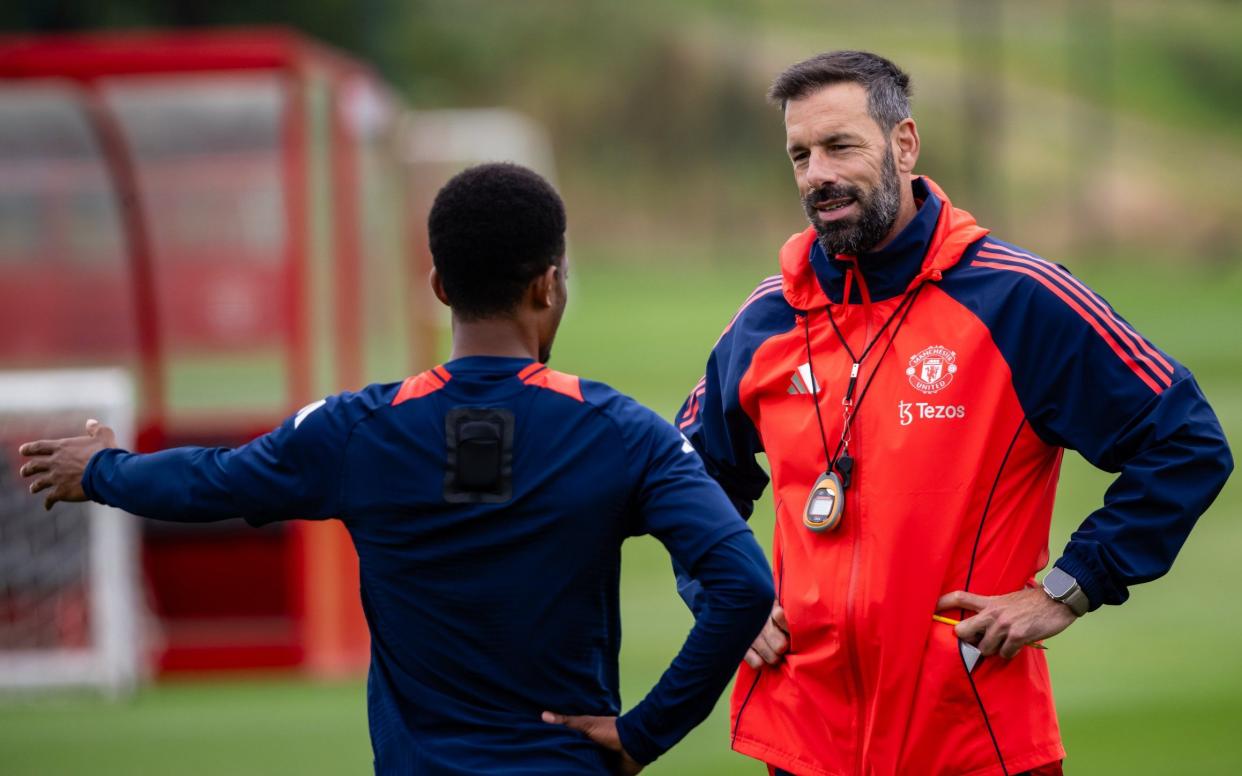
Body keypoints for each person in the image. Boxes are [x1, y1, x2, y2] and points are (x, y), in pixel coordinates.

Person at [19, 163, 775, 775]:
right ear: (549, 283)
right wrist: (645, 733)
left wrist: (101, 469)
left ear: (441, 288)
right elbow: (742, 587)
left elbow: (210, 480)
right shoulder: (621, 433)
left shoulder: (356, 431)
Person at [675, 51, 1232, 776]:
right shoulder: (767, 319)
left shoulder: (1019, 300)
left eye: (841, 146)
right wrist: (723, 590)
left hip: (974, 740)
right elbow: (684, 474)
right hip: (803, 741)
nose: (818, 175)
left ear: (904, 144)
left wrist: (1071, 585)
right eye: (800, 155)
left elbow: (1184, 441)